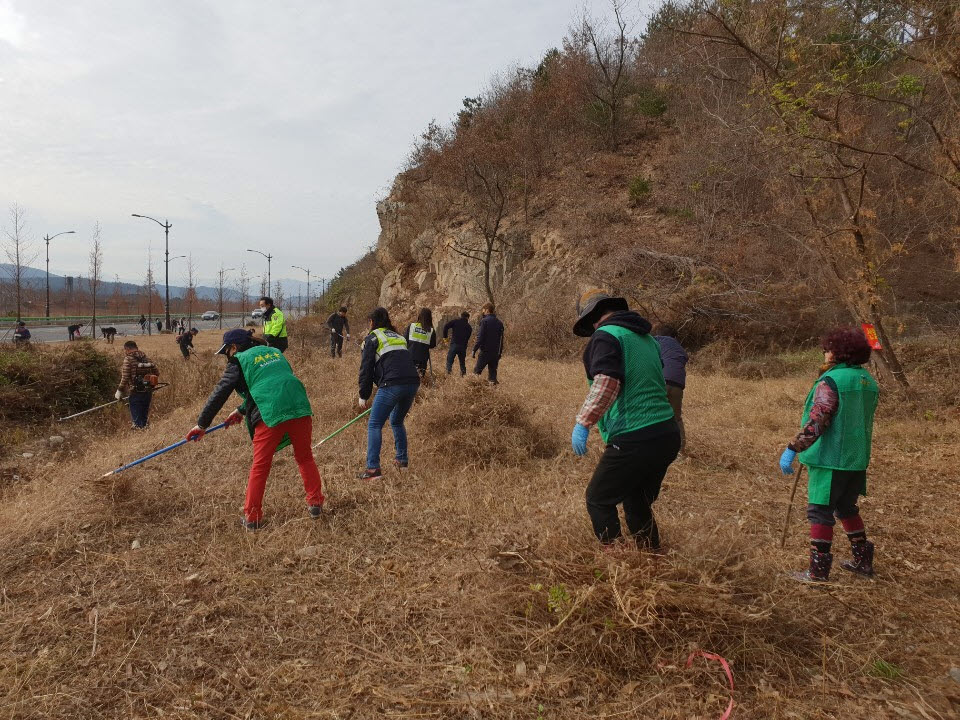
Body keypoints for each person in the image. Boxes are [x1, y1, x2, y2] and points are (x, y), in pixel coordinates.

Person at [570, 290, 681, 551]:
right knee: (637, 502)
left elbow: (607, 381)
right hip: (666, 433)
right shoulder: (646, 338)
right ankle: (651, 557)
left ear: (594, 318)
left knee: (598, 499)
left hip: (634, 435)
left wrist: (583, 422)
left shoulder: (606, 335)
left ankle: (617, 562)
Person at [187, 328, 324, 530]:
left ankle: (252, 517)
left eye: (227, 352)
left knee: (260, 466)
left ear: (233, 348)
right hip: (300, 407)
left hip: (270, 413)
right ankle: (316, 503)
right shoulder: (274, 352)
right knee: (304, 456)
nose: (227, 356)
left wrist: (202, 424)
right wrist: (241, 410)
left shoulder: (238, 360)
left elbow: (221, 391)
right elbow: (272, 382)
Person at [779, 327, 879, 583]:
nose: (825, 353)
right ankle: (862, 561)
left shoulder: (832, 381)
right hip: (856, 459)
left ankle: (818, 571)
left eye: (828, 349)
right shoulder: (868, 381)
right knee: (846, 508)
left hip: (830, 459)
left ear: (839, 352)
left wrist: (793, 448)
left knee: (820, 511)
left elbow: (818, 422)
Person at [357, 307, 421, 480]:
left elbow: (366, 368)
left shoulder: (373, 337)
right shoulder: (399, 336)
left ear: (372, 322)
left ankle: (373, 469)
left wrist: (364, 394)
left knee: (375, 424)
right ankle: (402, 460)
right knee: (396, 421)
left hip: (392, 384)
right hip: (413, 382)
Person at [654, 325, 689, 451]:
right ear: (675, 337)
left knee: (653, 414)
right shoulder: (680, 349)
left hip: (660, 381)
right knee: (676, 418)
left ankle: (653, 447)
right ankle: (680, 451)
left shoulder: (657, 340)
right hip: (678, 385)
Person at [116, 340, 159, 430]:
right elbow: (157, 372)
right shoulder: (146, 358)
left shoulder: (128, 359)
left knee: (136, 419)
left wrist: (119, 390)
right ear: (136, 348)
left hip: (136, 392)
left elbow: (125, 377)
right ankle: (145, 431)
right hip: (148, 391)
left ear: (127, 349)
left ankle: (139, 433)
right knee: (144, 415)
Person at [472, 302, 504, 384]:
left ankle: (474, 391)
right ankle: (493, 393)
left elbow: (480, 337)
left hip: (485, 352)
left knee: (476, 372)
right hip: (495, 353)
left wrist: (474, 349)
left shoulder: (484, 321)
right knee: (492, 376)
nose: (482, 312)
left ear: (487, 310)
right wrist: (499, 353)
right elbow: (501, 340)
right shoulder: (500, 323)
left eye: (483, 310)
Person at [405, 308, 437, 378]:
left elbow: (405, 340)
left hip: (410, 356)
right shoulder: (431, 331)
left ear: (419, 315)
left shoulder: (411, 326)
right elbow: (432, 345)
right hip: (422, 359)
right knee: (419, 378)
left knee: (408, 377)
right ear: (430, 318)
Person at [443, 311, 473, 376]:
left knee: (449, 362)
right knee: (462, 363)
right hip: (463, 347)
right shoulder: (469, 327)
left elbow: (445, 327)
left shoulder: (455, 321)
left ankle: (448, 376)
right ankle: (463, 377)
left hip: (454, 344)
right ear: (468, 318)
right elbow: (467, 338)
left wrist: (445, 339)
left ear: (461, 316)